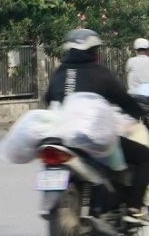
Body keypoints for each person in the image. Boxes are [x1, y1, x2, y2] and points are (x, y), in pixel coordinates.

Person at [45, 28, 149, 225]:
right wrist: (139, 113)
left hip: (61, 136)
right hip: (92, 136)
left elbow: (48, 98)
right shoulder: (99, 72)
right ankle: (134, 208)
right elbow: (123, 100)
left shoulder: (60, 72)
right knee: (145, 157)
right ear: (94, 52)